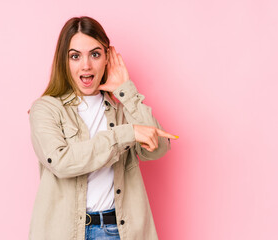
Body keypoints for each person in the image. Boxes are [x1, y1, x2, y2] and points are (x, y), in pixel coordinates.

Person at [28, 16, 178, 240]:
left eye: (95, 54)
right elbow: (61, 161)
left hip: (116, 231)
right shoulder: (46, 109)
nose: (86, 65)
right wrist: (126, 133)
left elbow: (157, 149)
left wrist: (127, 92)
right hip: (63, 233)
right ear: (64, 61)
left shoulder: (120, 111)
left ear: (107, 58)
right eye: (75, 56)